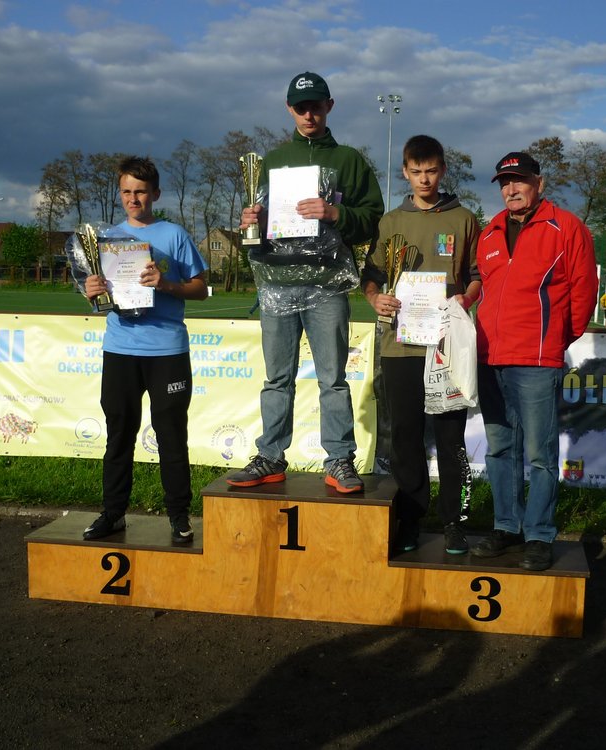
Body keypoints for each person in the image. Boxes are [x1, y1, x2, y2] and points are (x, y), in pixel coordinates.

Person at [227, 71, 383, 493]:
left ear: (329, 106)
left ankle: (339, 460)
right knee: (277, 378)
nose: (309, 114)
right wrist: (250, 223)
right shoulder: (273, 161)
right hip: (277, 282)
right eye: (301, 107)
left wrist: (336, 214)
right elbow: (258, 231)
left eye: (315, 105)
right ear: (289, 109)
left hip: (327, 284)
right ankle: (270, 456)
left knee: (332, 378)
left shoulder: (349, 160)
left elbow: (373, 218)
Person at [471, 152, 597, 571]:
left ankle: (539, 534)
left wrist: (556, 339)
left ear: (539, 184)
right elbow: (484, 290)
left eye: (520, 180)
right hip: (490, 356)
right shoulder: (489, 232)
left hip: (537, 359)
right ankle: (507, 526)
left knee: (540, 453)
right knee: (500, 449)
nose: (511, 189)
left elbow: (583, 293)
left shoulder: (567, 227)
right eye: (504, 182)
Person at [361, 135, 481, 555]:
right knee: (405, 436)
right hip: (401, 345)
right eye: (416, 172)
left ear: (443, 170)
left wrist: (466, 299)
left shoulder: (464, 218)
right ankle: (410, 520)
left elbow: (477, 275)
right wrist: (376, 299)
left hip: (447, 345)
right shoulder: (391, 221)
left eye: (431, 171)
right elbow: (372, 276)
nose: (425, 179)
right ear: (405, 172)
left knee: (451, 438)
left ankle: (455, 522)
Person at [82, 155, 209, 544]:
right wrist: (91, 292)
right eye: (126, 191)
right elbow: (99, 294)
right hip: (120, 348)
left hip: (167, 350)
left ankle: (179, 516)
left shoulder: (174, 235)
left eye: (140, 191)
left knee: (171, 434)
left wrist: (165, 284)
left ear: (155, 193)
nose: (133, 199)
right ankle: (113, 513)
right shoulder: (106, 239)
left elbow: (201, 289)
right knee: (119, 433)